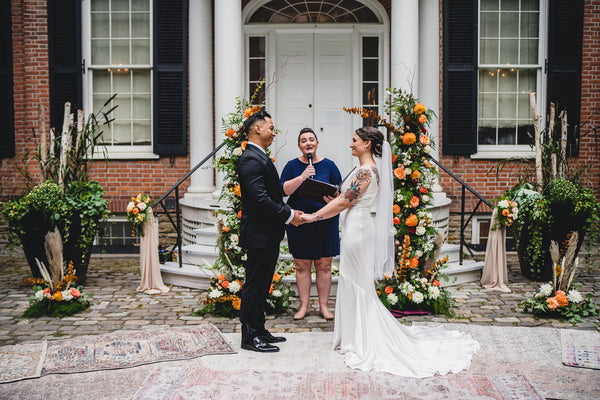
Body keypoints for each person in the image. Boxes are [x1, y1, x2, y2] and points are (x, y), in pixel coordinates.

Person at [301, 126, 479, 377]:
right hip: (355, 225)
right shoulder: (365, 169)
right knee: (353, 281)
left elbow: (345, 201)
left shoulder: (366, 171)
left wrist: (312, 217)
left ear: (366, 144)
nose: (350, 144)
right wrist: (333, 203)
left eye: (354, 141)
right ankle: (352, 335)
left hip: (359, 231)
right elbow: (344, 200)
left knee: (357, 283)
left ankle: (359, 339)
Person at [237, 110, 304, 353]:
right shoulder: (250, 159)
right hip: (258, 234)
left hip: (268, 233)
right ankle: (249, 336)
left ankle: (259, 328)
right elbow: (259, 199)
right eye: (271, 128)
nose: (274, 132)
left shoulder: (260, 156)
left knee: (263, 284)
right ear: (257, 129)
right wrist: (289, 215)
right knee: (254, 285)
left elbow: (273, 192)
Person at [281, 128, 342, 321]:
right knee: (302, 265)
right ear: (299, 145)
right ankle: (304, 306)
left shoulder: (329, 165)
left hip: (325, 221)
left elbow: (341, 193)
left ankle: (324, 306)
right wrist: (302, 177)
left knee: (324, 265)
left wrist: (332, 197)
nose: (308, 143)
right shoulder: (292, 166)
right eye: (303, 140)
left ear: (317, 143)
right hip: (300, 220)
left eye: (311, 139)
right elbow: (283, 190)